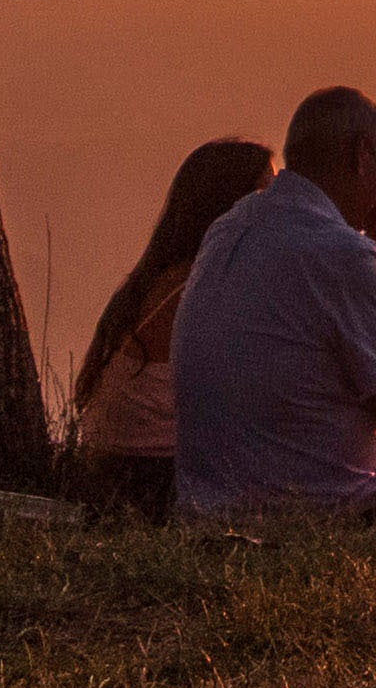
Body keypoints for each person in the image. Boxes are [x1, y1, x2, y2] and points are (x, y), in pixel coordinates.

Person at [169, 85, 376, 519]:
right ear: (361, 156)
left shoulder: (229, 228)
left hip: (210, 498)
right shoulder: (341, 251)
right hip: (316, 499)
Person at [52, 133, 269, 521]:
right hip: (153, 482)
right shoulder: (202, 286)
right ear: (230, 208)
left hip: (116, 471)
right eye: (266, 197)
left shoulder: (158, 281)